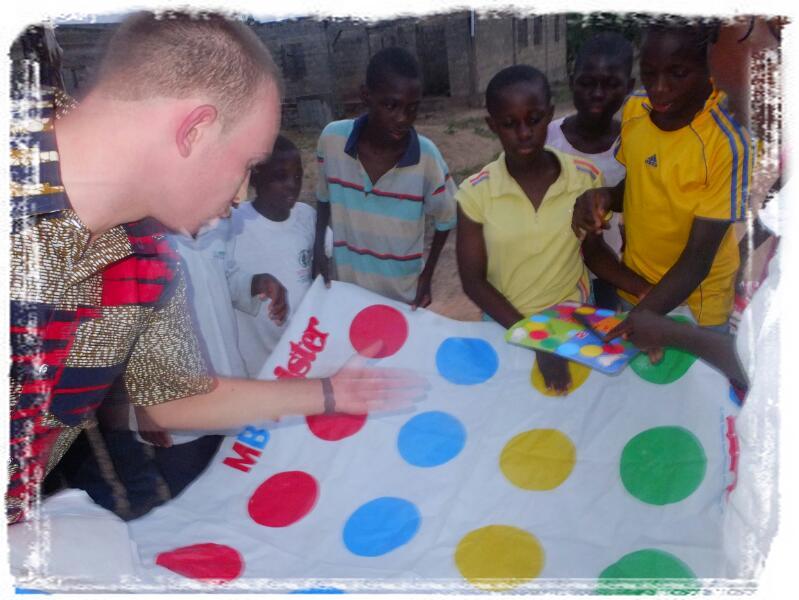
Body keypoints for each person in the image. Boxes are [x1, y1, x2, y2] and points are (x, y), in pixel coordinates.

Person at [8, 11, 426, 526]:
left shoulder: (143, 256)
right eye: (248, 166)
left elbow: (174, 397)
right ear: (196, 130)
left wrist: (330, 393)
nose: (238, 198)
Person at [455, 65, 648, 394]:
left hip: (574, 324)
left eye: (534, 119)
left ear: (550, 115)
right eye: (509, 123)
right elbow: (473, 281)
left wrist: (646, 291)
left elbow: (592, 253)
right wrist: (534, 340)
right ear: (491, 125)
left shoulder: (584, 177)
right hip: (507, 328)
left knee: (577, 421)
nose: (524, 133)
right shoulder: (475, 192)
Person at [573, 18, 752, 340]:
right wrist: (603, 198)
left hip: (697, 308)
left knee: (694, 388)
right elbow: (638, 186)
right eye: (649, 72)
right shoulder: (635, 111)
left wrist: (640, 318)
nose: (658, 88)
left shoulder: (726, 143)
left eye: (677, 73)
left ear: (708, 65)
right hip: (638, 291)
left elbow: (698, 259)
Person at [312, 46, 457, 309]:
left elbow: (447, 217)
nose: (403, 118)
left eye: (412, 108)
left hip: (402, 298)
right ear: (366, 95)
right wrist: (318, 249)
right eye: (391, 105)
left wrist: (427, 275)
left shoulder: (426, 157)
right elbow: (323, 197)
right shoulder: (332, 140)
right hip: (347, 292)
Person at [546, 31, 634, 309]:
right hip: (550, 270)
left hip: (605, 271)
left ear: (629, 86)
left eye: (611, 84)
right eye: (587, 83)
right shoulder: (546, 138)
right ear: (572, 82)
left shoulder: (634, 145)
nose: (597, 93)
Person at [231, 135, 324, 376]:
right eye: (280, 177)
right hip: (257, 363)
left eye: (297, 176)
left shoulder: (307, 218)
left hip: (302, 354)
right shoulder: (234, 225)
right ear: (257, 178)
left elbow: (326, 270)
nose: (292, 185)